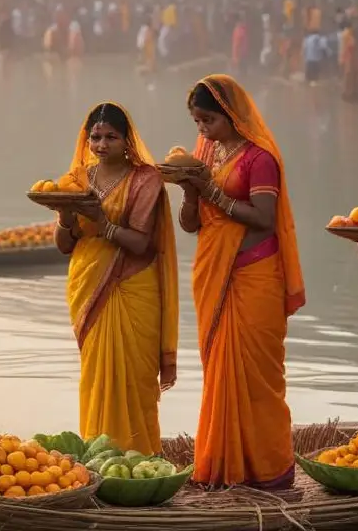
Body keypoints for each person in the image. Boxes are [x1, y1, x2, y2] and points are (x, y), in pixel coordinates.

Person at [178, 76, 304, 489]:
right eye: (197, 121)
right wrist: (189, 192)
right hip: (214, 272)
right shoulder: (205, 154)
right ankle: (223, 466)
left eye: (208, 120)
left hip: (254, 274)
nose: (202, 130)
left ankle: (270, 470)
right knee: (220, 373)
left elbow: (264, 219)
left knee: (259, 377)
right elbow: (191, 225)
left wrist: (211, 191)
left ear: (231, 115)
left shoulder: (259, 158)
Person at [54, 102, 178, 455]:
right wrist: (66, 216)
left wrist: (103, 222)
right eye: (96, 137)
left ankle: (140, 460)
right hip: (89, 283)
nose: (102, 144)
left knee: (135, 383)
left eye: (111, 136)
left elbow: (142, 242)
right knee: (96, 379)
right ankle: (99, 458)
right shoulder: (76, 181)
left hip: (133, 286)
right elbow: (65, 245)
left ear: (127, 141)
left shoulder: (146, 179)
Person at [339, 21, 358, 101]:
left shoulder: (344, 34)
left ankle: (349, 93)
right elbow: (351, 45)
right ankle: (349, 93)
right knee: (349, 76)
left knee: (348, 76)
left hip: (347, 58)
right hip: (350, 58)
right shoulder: (349, 34)